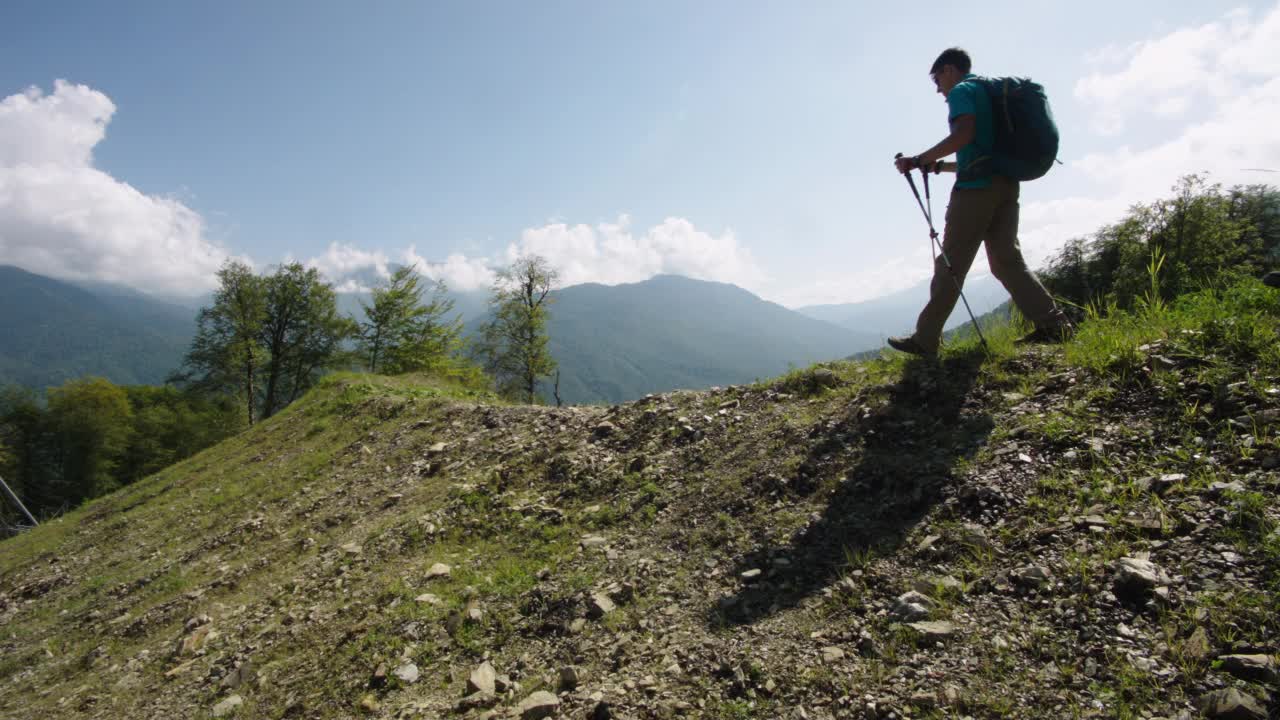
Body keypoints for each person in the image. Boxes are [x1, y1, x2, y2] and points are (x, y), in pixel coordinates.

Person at [887, 48, 1072, 357]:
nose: (938, 89)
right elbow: (980, 152)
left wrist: (919, 159)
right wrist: (939, 166)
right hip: (1005, 183)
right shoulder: (990, 93)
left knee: (951, 263)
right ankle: (1055, 326)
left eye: (937, 79)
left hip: (975, 191)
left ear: (949, 70)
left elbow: (964, 133)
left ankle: (926, 338)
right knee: (1006, 261)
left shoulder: (963, 91)